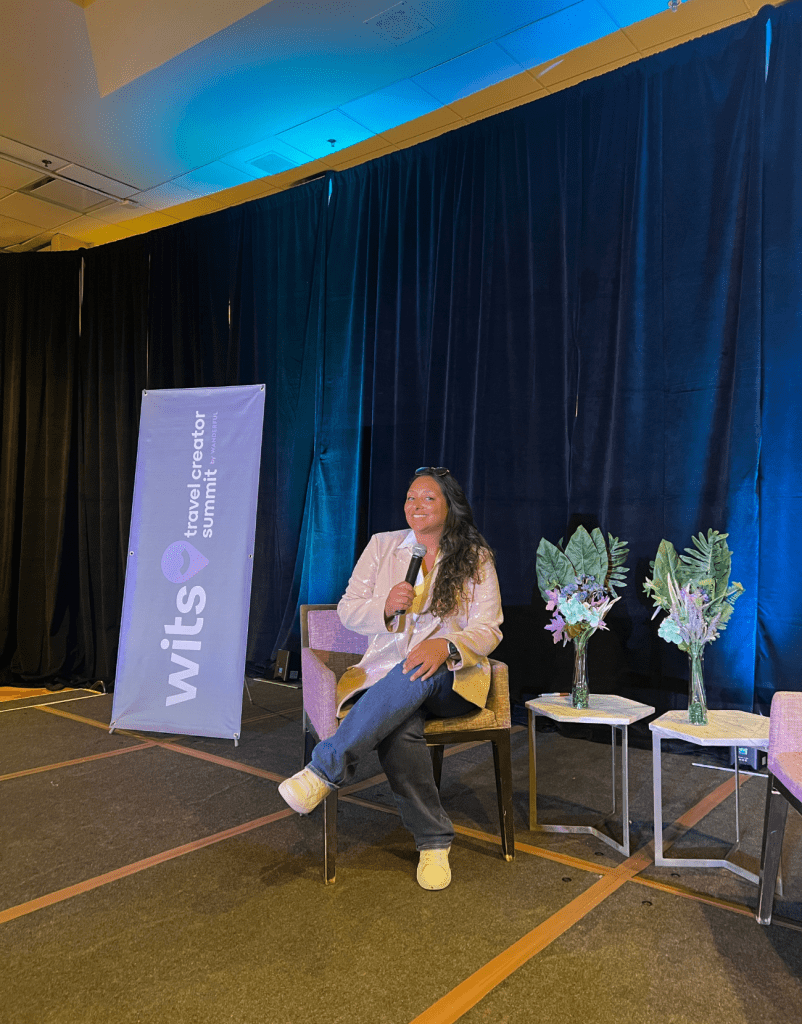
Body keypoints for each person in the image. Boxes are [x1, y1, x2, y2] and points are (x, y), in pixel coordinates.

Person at [278, 467, 503, 890]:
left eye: (428, 498)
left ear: (449, 505)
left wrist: (446, 646)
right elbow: (348, 609)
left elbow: (489, 627)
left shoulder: (474, 556)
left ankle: (323, 770)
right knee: (400, 727)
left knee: (417, 671)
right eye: (410, 498)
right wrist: (383, 606)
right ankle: (434, 842)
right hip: (387, 677)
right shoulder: (383, 546)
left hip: (454, 679)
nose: (416, 505)